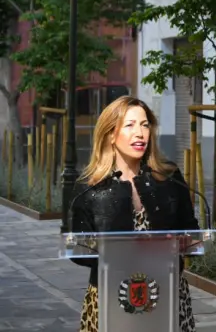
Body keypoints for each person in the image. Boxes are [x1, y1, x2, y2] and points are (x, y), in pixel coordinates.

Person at [70, 95, 199, 332]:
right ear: (110, 134)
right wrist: (115, 251)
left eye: (145, 125)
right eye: (129, 125)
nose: (140, 133)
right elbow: (78, 249)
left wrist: (181, 242)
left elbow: (191, 231)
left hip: (167, 292)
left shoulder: (169, 177)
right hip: (111, 295)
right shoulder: (89, 186)